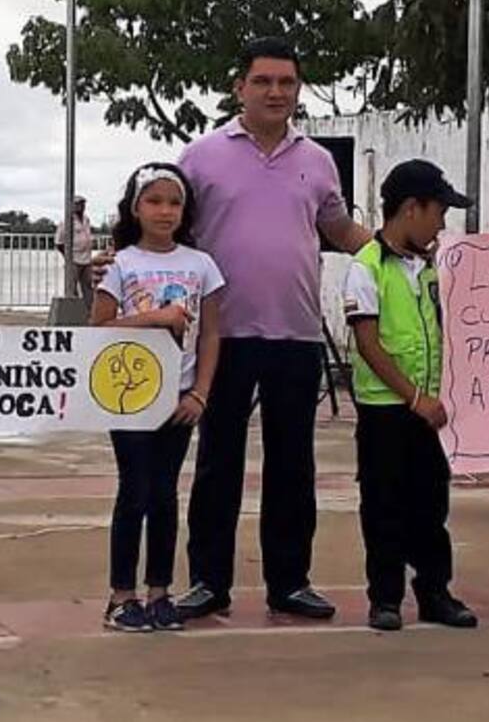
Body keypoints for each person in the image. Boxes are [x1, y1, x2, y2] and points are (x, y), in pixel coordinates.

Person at [171, 36, 370, 621]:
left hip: (297, 334)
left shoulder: (318, 161)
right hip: (221, 337)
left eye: (286, 82)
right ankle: (208, 581)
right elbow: (169, 228)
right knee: (217, 463)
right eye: (263, 81)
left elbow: (338, 228)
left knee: (293, 466)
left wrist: (399, 254)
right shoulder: (201, 156)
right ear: (240, 88)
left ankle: (290, 582)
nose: (275, 92)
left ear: (298, 89)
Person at [343, 160, 478, 631]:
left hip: (430, 412)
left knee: (430, 505)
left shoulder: (432, 269)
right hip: (385, 411)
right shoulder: (367, 268)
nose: (443, 223)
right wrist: (413, 397)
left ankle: (435, 591)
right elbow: (369, 343)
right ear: (410, 209)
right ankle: (385, 597)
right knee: (383, 505)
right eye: (439, 211)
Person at [92, 163, 224, 632]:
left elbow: (211, 334)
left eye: (174, 202)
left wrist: (201, 394)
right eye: (154, 201)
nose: (164, 211)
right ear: (135, 207)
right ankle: (121, 595)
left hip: (179, 397)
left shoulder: (201, 264)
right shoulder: (123, 264)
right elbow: (100, 328)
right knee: (135, 491)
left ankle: (160, 590)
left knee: (165, 494)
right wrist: (155, 318)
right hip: (130, 397)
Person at [56, 195, 95, 316]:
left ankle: (90, 312)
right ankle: (73, 312)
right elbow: (59, 242)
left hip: (87, 259)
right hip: (74, 259)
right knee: (71, 288)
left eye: (83, 204)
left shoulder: (86, 219)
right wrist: (68, 257)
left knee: (88, 286)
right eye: (78, 204)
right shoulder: (66, 221)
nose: (81, 206)